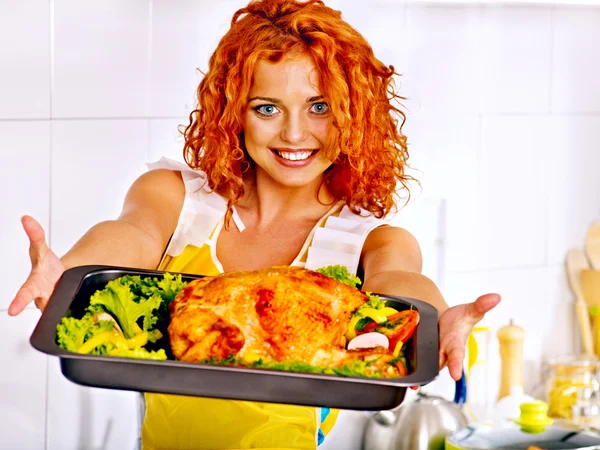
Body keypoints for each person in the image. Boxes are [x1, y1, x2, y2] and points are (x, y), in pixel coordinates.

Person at [8, 0, 501, 448]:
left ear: (355, 115)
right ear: (233, 113)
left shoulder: (367, 239)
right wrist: (71, 270)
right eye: (267, 108)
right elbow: (132, 234)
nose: (294, 133)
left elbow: (401, 282)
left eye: (320, 108)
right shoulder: (176, 196)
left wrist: (432, 322)